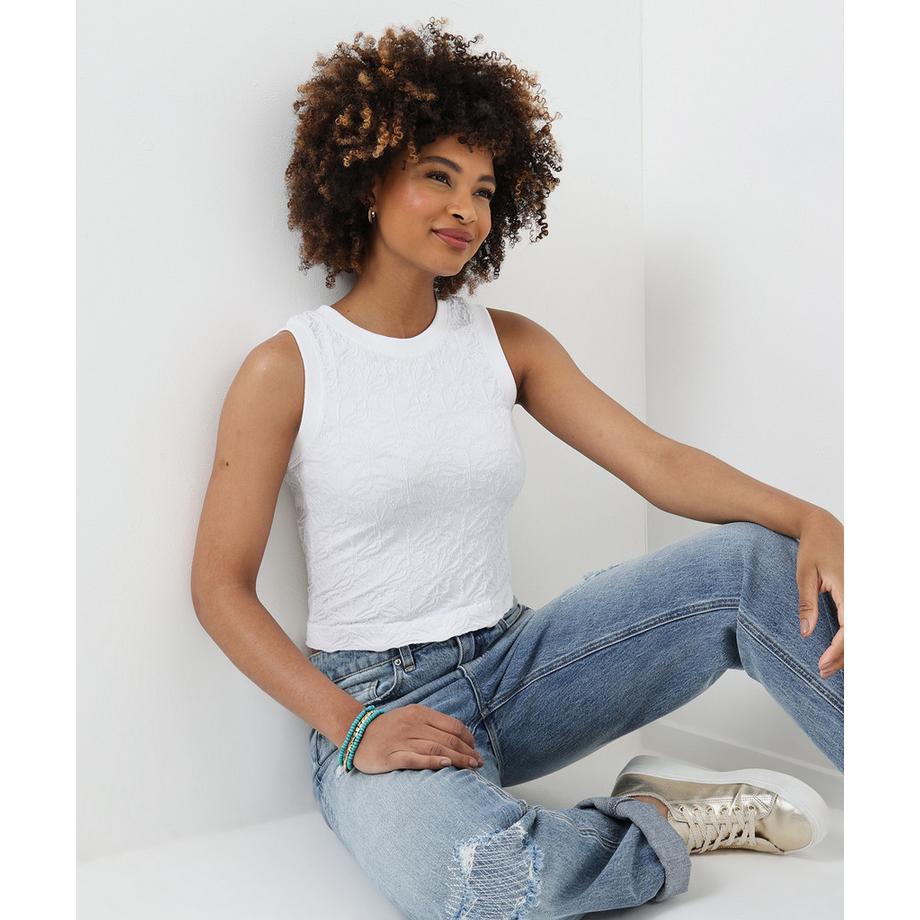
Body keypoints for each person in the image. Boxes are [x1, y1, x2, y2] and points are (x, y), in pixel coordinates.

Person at [190, 18, 844, 919]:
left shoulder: (507, 344)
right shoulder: (289, 368)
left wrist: (812, 517)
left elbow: (656, 462)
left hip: (520, 667)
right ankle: (659, 819)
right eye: (438, 176)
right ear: (367, 180)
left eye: (485, 189)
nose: (466, 208)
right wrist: (353, 725)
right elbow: (219, 588)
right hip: (378, 698)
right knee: (488, 880)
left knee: (760, 567)